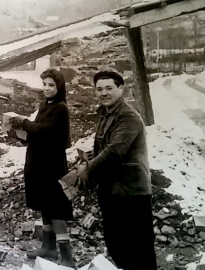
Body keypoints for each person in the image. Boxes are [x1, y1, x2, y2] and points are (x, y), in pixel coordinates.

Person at [75, 70, 157, 270]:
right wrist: (85, 162)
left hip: (131, 193)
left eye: (109, 88)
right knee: (116, 245)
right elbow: (102, 148)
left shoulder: (128, 116)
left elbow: (114, 151)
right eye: (99, 89)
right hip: (111, 190)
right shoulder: (104, 114)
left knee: (139, 249)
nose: (104, 93)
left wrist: (88, 169)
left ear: (120, 89)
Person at [10, 69, 75, 268]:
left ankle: (66, 256)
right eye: (44, 84)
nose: (46, 89)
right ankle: (48, 247)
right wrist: (18, 133)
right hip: (38, 162)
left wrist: (25, 122)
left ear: (59, 87)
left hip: (52, 164)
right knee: (45, 205)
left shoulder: (60, 108)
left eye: (51, 85)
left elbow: (45, 131)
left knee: (56, 208)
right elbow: (36, 132)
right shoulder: (44, 105)